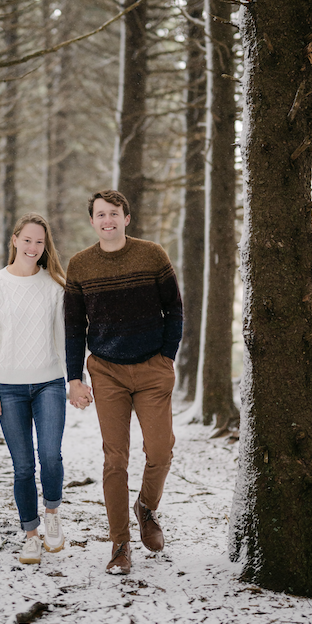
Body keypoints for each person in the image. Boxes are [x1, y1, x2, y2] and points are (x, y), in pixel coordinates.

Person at [65, 190, 183, 575]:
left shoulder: (152, 254)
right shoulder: (80, 265)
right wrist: (74, 378)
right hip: (107, 371)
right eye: (100, 215)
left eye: (114, 213)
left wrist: (167, 357)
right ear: (93, 221)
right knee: (115, 459)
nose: (108, 220)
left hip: (152, 368)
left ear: (126, 218)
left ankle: (146, 508)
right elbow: (72, 327)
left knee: (161, 450)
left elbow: (175, 307)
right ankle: (120, 544)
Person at [0, 213, 67, 566]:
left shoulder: (54, 285)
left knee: (50, 456)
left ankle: (53, 513)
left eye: (39, 242)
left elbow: (65, 340)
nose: (32, 247)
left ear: (46, 246)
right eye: (27, 240)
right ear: (14, 240)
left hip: (49, 384)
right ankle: (30, 535)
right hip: (8, 389)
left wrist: (74, 380)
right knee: (24, 466)